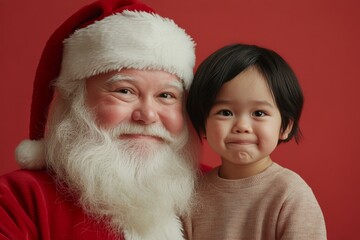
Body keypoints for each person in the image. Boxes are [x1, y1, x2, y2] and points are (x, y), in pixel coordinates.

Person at [0, 0, 200, 239]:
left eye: (166, 95)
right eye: (125, 91)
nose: (147, 115)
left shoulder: (217, 188)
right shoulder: (16, 199)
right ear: (74, 101)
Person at [184, 43, 327, 239]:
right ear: (203, 124)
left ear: (285, 126)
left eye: (259, 113)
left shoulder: (290, 193)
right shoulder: (191, 195)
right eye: (225, 112)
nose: (242, 125)